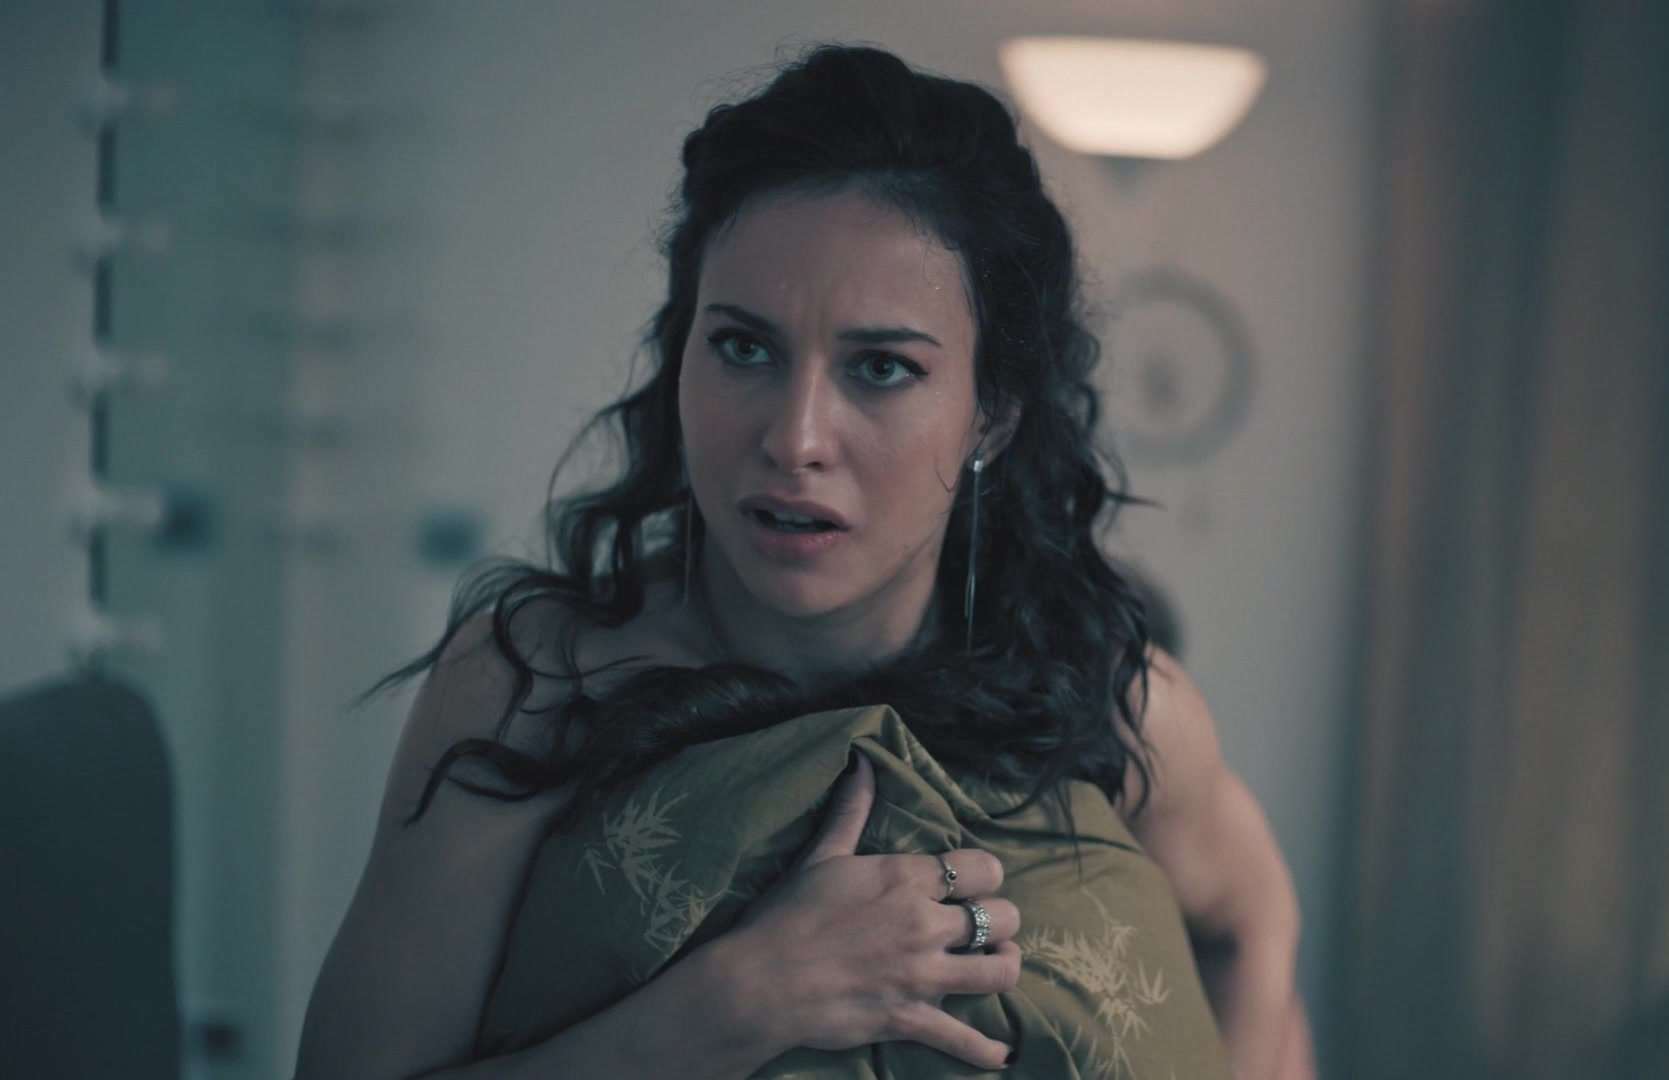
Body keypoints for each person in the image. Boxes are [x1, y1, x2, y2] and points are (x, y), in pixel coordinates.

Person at [295, 43, 1314, 1080]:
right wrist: (734, 1004)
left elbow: (1254, 923)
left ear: (991, 415)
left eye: (882, 368)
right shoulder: (536, 685)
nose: (795, 438)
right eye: (744, 348)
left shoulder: (1108, 700)